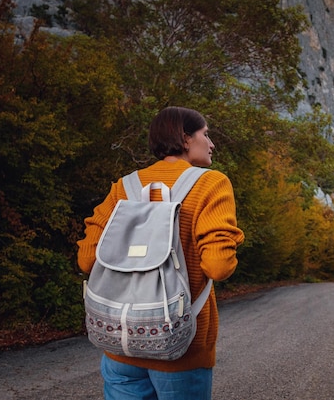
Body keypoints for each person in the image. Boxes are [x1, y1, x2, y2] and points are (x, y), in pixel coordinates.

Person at [77, 106, 245, 400]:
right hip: (180, 350)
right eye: (206, 134)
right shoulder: (211, 183)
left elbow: (87, 260)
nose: (212, 143)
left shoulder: (124, 187)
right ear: (185, 138)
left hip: (121, 346)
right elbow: (219, 266)